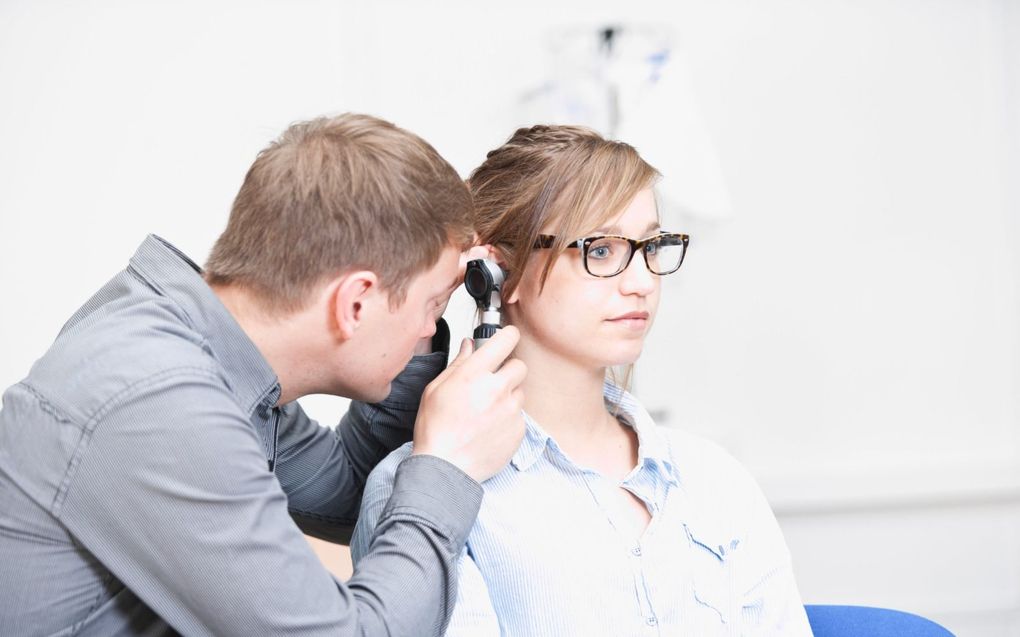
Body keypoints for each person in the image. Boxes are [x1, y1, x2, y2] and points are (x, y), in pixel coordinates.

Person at [0, 113, 527, 637]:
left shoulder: (217, 359)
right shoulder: (158, 400)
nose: (428, 328)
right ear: (356, 303)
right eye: (433, 306)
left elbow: (346, 491)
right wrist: (449, 463)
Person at [352, 125, 812, 635]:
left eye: (651, 245)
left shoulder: (716, 481)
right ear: (500, 273)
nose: (641, 283)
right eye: (600, 250)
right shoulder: (424, 496)